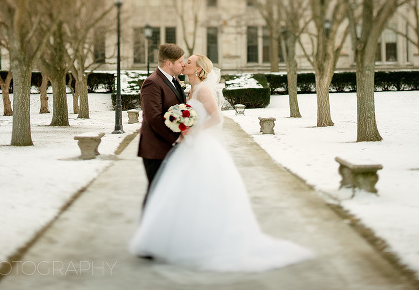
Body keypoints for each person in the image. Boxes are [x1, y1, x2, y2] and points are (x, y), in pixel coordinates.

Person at [129, 54, 315, 272]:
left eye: (189, 62)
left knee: (203, 193)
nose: (184, 64)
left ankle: (206, 240)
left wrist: (193, 131)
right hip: (186, 147)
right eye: (184, 61)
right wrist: (182, 127)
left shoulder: (203, 90)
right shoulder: (187, 89)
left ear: (198, 69)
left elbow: (217, 118)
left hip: (201, 146)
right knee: (183, 193)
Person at [137, 43, 185, 203]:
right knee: (155, 193)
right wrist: (176, 138)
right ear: (169, 63)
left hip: (168, 149)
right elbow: (154, 118)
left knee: (166, 194)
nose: (183, 64)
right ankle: (147, 226)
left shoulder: (174, 80)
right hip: (155, 150)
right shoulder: (152, 83)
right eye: (180, 61)